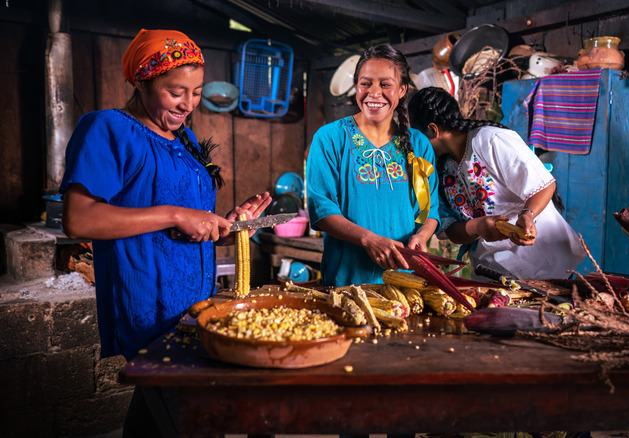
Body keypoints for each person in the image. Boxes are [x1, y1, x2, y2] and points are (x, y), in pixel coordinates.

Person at [59, 28, 271, 437]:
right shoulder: (108, 128)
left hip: (194, 306)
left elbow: (187, 222)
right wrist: (176, 214)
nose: (188, 104)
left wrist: (223, 226)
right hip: (148, 305)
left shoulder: (185, 140)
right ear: (142, 81)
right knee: (195, 422)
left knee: (157, 419)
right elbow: (80, 219)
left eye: (196, 92)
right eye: (176, 91)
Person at [408, 86, 586, 280]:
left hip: (544, 263)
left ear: (433, 130)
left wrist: (527, 215)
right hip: (494, 271)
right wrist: (476, 227)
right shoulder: (440, 167)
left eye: (417, 137)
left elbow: (543, 184)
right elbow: (450, 229)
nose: (416, 146)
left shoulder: (490, 140)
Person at [306, 45, 440, 287]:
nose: (374, 93)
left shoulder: (419, 144)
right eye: (365, 83)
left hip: (405, 283)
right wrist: (369, 240)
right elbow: (322, 209)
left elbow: (430, 208)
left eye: (385, 84)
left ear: (401, 90)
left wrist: (422, 236)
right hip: (346, 283)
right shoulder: (329, 138)